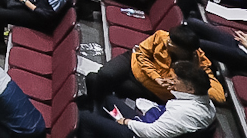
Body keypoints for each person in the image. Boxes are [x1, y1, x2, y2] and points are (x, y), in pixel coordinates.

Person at [85, 25, 224, 106]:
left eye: (172, 43)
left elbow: (219, 95)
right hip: (134, 63)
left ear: (184, 50)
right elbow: (141, 54)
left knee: (98, 81)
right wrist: (156, 76)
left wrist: (188, 87)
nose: (167, 41)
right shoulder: (161, 36)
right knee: (105, 75)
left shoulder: (197, 63)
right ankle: (93, 106)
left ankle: (97, 109)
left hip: (151, 89)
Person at [75, 59, 216, 138]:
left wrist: (127, 122)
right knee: (107, 99)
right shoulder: (204, 101)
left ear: (190, 89)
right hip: (150, 120)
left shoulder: (183, 113)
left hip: (142, 134)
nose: (170, 80)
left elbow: (152, 133)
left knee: (84, 117)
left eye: (175, 79)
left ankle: (92, 127)